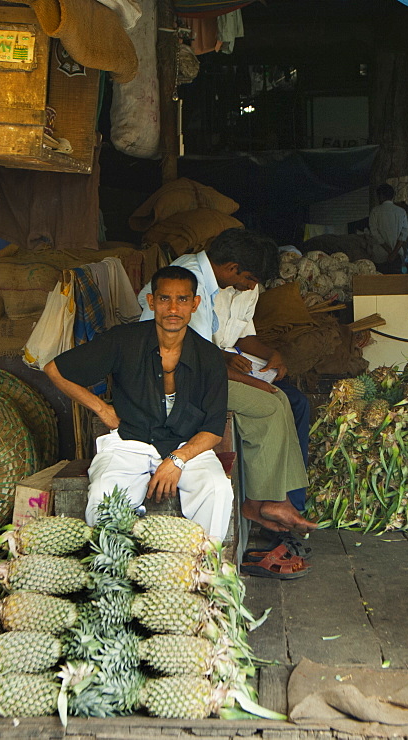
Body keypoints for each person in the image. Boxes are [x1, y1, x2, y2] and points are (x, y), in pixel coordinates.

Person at [138, 229, 316, 574]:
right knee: (268, 404)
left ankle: (268, 500)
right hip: (173, 381)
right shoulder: (190, 281)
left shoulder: (203, 277)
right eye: (247, 278)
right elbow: (199, 360)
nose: (249, 287)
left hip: (191, 373)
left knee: (279, 400)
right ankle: (260, 503)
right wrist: (252, 383)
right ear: (232, 268)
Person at [45, 266, 233, 541]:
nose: (173, 307)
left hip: (186, 446)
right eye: (165, 298)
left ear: (195, 304)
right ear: (151, 301)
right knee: (104, 493)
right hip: (129, 442)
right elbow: (54, 369)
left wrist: (176, 460)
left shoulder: (209, 357)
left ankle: (203, 571)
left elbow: (214, 429)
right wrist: (101, 408)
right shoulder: (124, 340)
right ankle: (117, 576)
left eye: (182, 299)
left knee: (217, 488)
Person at [368, 183, 408, 274]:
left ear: (381, 196)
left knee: (381, 283)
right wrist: (394, 252)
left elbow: (374, 233)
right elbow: (404, 233)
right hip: (397, 255)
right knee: (396, 284)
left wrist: (389, 250)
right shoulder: (401, 212)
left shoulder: (375, 211)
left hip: (379, 256)